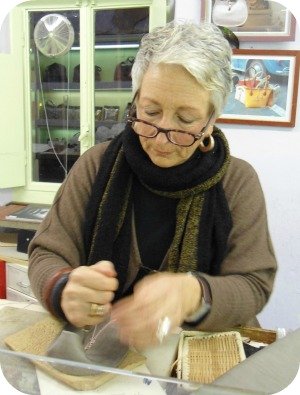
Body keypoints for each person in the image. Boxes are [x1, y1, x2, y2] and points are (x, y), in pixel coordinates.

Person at [28, 22, 277, 350]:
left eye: (185, 120)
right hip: (103, 350)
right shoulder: (95, 165)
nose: (162, 134)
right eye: (150, 111)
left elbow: (254, 284)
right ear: (135, 100)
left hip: (198, 356)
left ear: (211, 120)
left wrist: (195, 294)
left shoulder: (237, 182)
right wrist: (62, 288)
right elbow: (47, 252)